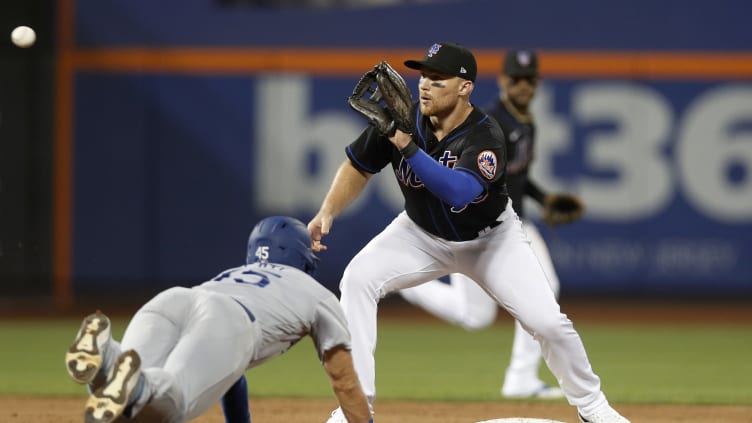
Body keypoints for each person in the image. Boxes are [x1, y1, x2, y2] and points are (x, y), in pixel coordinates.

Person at [308, 42, 629, 423]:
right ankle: (356, 409)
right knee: (358, 279)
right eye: (423, 75)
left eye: (438, 78)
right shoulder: (402, 121)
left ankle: (593, 407)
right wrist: (328, 210)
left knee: (548, 324)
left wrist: (406, 146)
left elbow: (458, 191)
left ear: (465, 87)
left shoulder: (485, 135)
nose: (425, 85)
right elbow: (357, 165)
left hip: (491, 242)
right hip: (420, 233)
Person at [64, 216, 372, 423]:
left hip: (176, 300)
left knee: (126, 407)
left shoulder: (232, 275)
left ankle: (107, 358)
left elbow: (229, 374)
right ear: (302, 257)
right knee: (171, 404)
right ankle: (134, 380)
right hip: (231, 321)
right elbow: (344, 382)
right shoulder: (316, 293)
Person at [400, 49, 581, 400]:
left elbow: (516, 177)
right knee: (476, 316)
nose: (523, 86)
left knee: (543, 289)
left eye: (530, 80)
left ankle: (521, 378)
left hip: (514, 224)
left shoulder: (527, 122)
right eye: (516, 79)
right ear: (503, 81)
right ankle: (409, 283)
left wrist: (543, 199)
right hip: (481, 226)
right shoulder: (491, 123)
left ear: (538, 83)